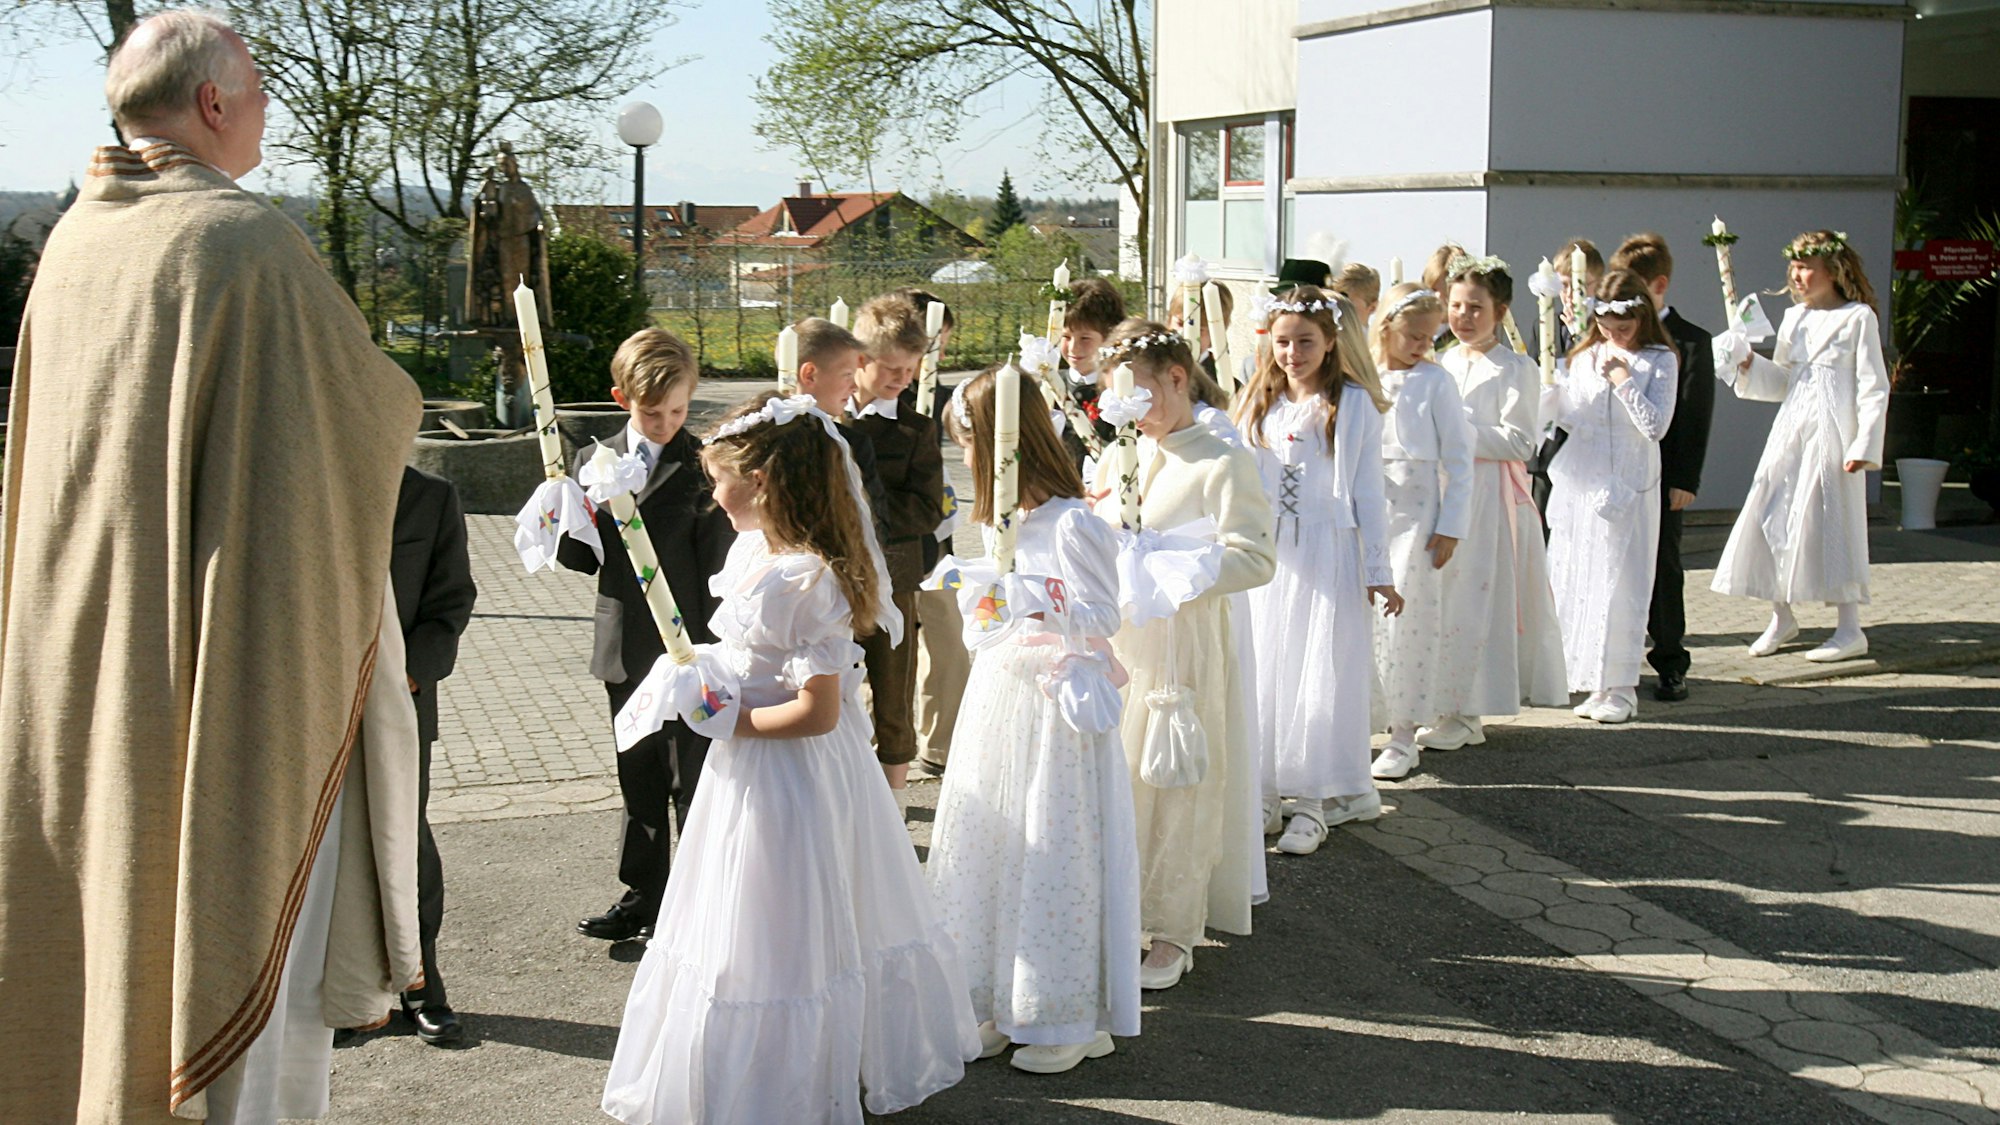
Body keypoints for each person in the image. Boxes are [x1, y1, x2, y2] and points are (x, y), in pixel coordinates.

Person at [0, 11, 425, 1121]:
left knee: (111, 928)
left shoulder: (76, 242)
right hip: (214, 674)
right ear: (215, 104)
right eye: (260, 93)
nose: (269, 114)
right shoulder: (242, 243)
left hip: (89, 669)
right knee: (243, 966)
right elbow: (364, 415)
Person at [602, 393, 979, 1124]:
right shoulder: (754, 551)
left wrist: (731, 717)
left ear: (765, 481)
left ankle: (796, 1077)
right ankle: (742, 1064)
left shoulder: (809, 578)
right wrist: (707, 674)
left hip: (792, 772)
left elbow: (819, 709)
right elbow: (751, 654)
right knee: (742, 913)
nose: (712, 494)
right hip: (748, 764)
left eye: (720, 479)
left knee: (788, 913)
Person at [925, 366, 1141, 1074]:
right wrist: (983, 597)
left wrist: (1036, 603)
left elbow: (1107, 614)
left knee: (1053, 845)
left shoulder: (1073, 522)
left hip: (1056, 705)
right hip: (1002, 693)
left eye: (970, 445)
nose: (965, 460)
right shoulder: (995, 522)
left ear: (1005, 445)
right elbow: (991, 618)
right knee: (995, 842)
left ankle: (1064, 1010)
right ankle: (993, 995)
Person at [1099, 321, 1276, 991]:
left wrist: (1176, 566)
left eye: (1140, 391)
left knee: (1175, 773)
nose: (1132, 407)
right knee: (1121, 771)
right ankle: (1122, 904)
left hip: (1186, 638)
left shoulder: (1221, 457)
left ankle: (1175, 924)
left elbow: (1256, 557)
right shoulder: (1124, 450)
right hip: (1124, 636)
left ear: (1177, 378)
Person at [560, 328, 733, 944]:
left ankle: (698, 896)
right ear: (621, 398)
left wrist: (719, 645)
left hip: (691, 644)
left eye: (678, 411)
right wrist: (567, 515)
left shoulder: (704, 462)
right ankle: (644, 895)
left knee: (694, 774)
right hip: (626, 641)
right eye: (651, 412)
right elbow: (581, 561)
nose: (665, 423)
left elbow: (719, 562)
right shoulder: (588, 461)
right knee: (638, 774)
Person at [1233, 285, 1402, 856]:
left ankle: (1314, 799)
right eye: (1282, 341)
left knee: (1318, 669)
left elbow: (1369, 493)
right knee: (1267, 668)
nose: (1292, 353)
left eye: (1305, 341)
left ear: (1330, 343)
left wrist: (1379, 569)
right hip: (1271, 557)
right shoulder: (1259, 401)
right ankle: (1262, 789)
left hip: (1328, 550)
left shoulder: (1350, 404)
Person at [1712, 229, 1890, 662]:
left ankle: (1850, 628)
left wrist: (1864, 443)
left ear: (1833, 270)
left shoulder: (1857, 318)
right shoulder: (1795, 319)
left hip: (1834, 430)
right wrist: (1750, 362)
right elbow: (1784, 381)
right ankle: (1781, 614)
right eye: (1793, 266)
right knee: (1771, 513)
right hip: (1792, 427)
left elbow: (1873, 386)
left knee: (1832, 522)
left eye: (1806, 266)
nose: (1797, 275)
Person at [1432, 258, 1569, 749]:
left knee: (1476, 597)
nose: (1463, 317)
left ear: (1500, 310)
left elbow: (1518, 442)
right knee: (1443, 598)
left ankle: (1470, 710)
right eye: (1455, 306)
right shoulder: (1442, 362)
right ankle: (1440, 699)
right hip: (1443, 491)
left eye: (1475, 307)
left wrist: (1457, 433)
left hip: (1488, 496)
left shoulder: (1515, 368)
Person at [1543, 270, 1680, 724]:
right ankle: (1594, 680)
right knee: (1584, 578)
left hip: (1630, 481)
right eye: (1606, 326)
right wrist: (1550, 398)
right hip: (1586, 476)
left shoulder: (1660, 360)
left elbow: (1656, 427)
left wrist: (1624, 382)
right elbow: (1575, 418)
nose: (1614, 335)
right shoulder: (1586, 355)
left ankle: (1622, 685)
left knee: (1622, 582)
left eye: (1624, 328)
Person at [1367, 285, 1477, 779]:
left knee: (1407, 620)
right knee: (1365, 623)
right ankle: (1363, 719)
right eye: (1412, 336)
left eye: (1428, 337)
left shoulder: (1437, 382)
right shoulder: (1363, 378)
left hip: (1417, 515)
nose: (1421, 346)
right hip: (1369, 508)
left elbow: (1459, 458)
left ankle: (1405, 730)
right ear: (1387, 328)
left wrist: (1451, 524)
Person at [390, 465, 479, 1044]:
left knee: (404, 839)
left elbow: (451, 600)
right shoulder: (305, 485)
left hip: (400, 702)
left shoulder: (431, 496)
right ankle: (340, 993)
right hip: (312, 701)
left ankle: (422, 982)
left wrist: (411, 675)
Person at [1608, 233, 1715, 701]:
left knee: (1664, 566)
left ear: (1659, 285)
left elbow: (1695, 413)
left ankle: (1670, 659)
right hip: (1612, 472)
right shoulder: (1610, 335)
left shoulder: (1690, 340)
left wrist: (1685, 479)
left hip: (1663, 473)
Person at [848, 295, 946, 790]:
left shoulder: (916, 429)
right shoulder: (825, 419)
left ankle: (894, 801)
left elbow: (928, 508)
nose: (902, 378)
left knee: (893, 693)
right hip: (832, 578)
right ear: (859, 360)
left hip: (893, 579)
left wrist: (863, 511)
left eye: (910, 369)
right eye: (891, 368)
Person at [891, 290, 971, 780]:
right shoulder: (882, 391)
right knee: (896, 648)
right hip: (896, 542)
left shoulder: (941, 393)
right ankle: (890, 743)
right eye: (933, 343)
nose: (937, 355)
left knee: (947, 644)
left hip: (940, 542)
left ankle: (941, 745)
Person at [1530, 238, 1606, 523]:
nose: (1571, 294)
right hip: (1551, 444)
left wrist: (1580, 334)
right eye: (1563, 285)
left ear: (1597, 285)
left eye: (1580, 285)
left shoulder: (1605, 325)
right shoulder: (1545, 322)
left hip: (1589, 444)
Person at [1330, 262, 1383, 326]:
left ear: (1372, 308)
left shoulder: (1376, 336)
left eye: (1349, 307)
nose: (1340, 311)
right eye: (1336, 304)